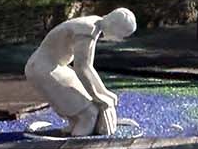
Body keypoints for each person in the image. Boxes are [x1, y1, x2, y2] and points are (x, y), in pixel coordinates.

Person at [24, 8, 137, 136]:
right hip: (45, 69)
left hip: (50, 67)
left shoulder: (94, 23)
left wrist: (104, 93)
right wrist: (101, 96)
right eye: (121, 34)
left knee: (85, 106)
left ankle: (75, 126)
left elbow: (86, 67)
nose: (119, 38)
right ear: (115, 26)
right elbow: (82, 68)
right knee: (89, 114)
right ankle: (78, 144)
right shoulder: (88, 31)